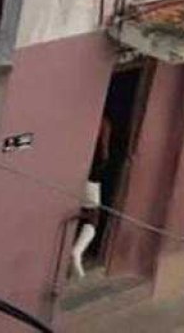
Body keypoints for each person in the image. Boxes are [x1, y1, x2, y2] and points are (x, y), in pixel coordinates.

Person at [71, 115, 111, 279]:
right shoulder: (104, 123)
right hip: (92, 177)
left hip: (75, 172)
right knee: (93, 217)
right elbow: (104, 153)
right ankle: (77, 251)